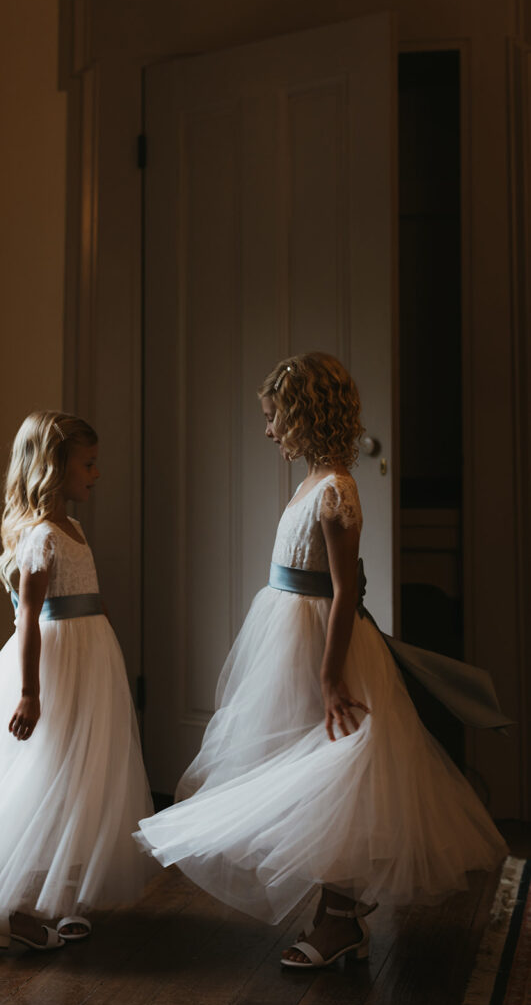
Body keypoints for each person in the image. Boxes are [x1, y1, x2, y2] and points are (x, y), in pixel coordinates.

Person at [134, 353, 508, 969]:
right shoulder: (311, 483)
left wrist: (332, 676)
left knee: (336, 781)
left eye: (274, 416)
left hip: (322, 647)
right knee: (306, 776)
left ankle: (339, 921)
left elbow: (343, 591)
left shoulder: (337, 490)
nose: (267, 430)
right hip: (286, 637)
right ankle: (338, 916)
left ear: (305, 416)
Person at [0, 411, 154, 950]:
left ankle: (68, 896)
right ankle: (12, 910)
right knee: (47, 775)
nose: (96, 474)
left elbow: (87, 597)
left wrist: (104, 633)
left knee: (84, 776)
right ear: (54, 468)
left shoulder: (73, 528)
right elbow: (28, 617)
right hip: (55, 667)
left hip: (90, 663)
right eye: (88, 463)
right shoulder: (38, 539)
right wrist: (30, 692)